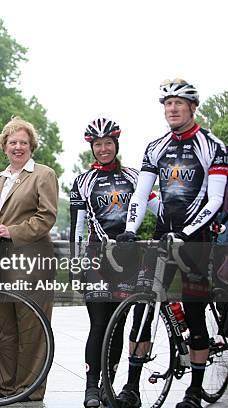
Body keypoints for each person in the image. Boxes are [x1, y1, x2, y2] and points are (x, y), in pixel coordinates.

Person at [116, 79, 227, 408]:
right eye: (167, 104)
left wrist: (187, 231)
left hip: (197, 239)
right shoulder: (156, 147)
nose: (173, 109)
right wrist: (130, 229)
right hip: (164, 237)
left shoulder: (213, 146)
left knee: (193, 313)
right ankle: (132, 388)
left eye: (179, 103)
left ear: (193, 107)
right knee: (142, 311)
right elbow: (140, 192)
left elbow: (216, 199)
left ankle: (194, 390)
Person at [70, 118, 159, 407]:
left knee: (117, 326)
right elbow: (77, 228)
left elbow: (157, 207)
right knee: (99, 325)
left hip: (129, 260)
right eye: (98, 144)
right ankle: (91, 389)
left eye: (108, 143)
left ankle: (108, 384)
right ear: (91, 148)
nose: (104, 148)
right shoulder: (83, 181)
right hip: (96, 260)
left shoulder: (135, 176)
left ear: (116, 145)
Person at [0, 116, 58, 402]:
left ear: (31, 146)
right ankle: (6, 387)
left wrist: (12, 231)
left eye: (23, 142)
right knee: (6, 327)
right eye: (13, 142)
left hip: (32, 259)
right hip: (0, 262)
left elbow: (46, 216)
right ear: (4, 146)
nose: (18, 147)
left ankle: (30, 388)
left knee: (32, 327)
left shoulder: (43, 175)